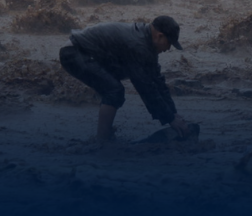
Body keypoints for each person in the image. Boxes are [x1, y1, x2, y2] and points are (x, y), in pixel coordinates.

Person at [59, 15, 189, 142]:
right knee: (114, 91)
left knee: (114, 89)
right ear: (160, 36)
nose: (168, 48)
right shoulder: (138, 46)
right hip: (73, 53)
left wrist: (173, 113)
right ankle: (101, 141)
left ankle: (104, 137)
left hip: (89, 53)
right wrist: (169, 119)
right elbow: (145, 88)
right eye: (169, 43)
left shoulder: (147, 44)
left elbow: (157, 81)